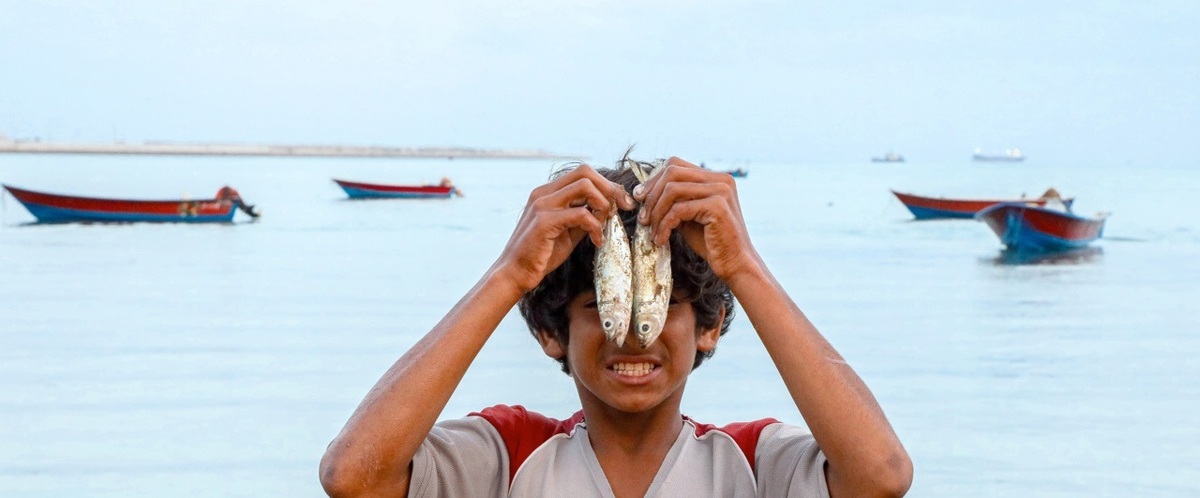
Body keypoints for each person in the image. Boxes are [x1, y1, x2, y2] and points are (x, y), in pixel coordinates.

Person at [319, 154, 913, 497]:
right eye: (599, 308)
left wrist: (743, 266)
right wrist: (508, 274)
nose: (634, 334)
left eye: (668, 304)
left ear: (711, 325)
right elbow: (352, 478)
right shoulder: (506, 457)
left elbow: (882, 477)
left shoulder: (753, 465)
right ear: (551, 333)